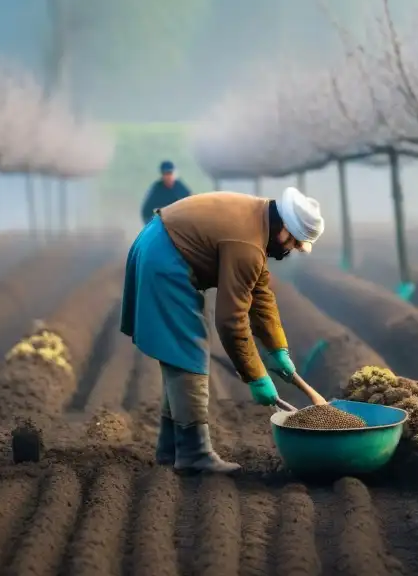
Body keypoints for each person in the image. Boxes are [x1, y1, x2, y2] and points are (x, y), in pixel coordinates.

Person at [120, 187, 324, 474]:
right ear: (284, 229)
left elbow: (260, 293)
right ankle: (193, 453)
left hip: (159, 242)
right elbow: (231, 320)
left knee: (180, 351)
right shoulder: (248, 242)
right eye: (293, 243)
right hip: (165, 257)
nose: (289, 250)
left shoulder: (258, 222)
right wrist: (256, 376)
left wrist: (278, 349)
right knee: (188, 348)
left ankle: (171, 448)